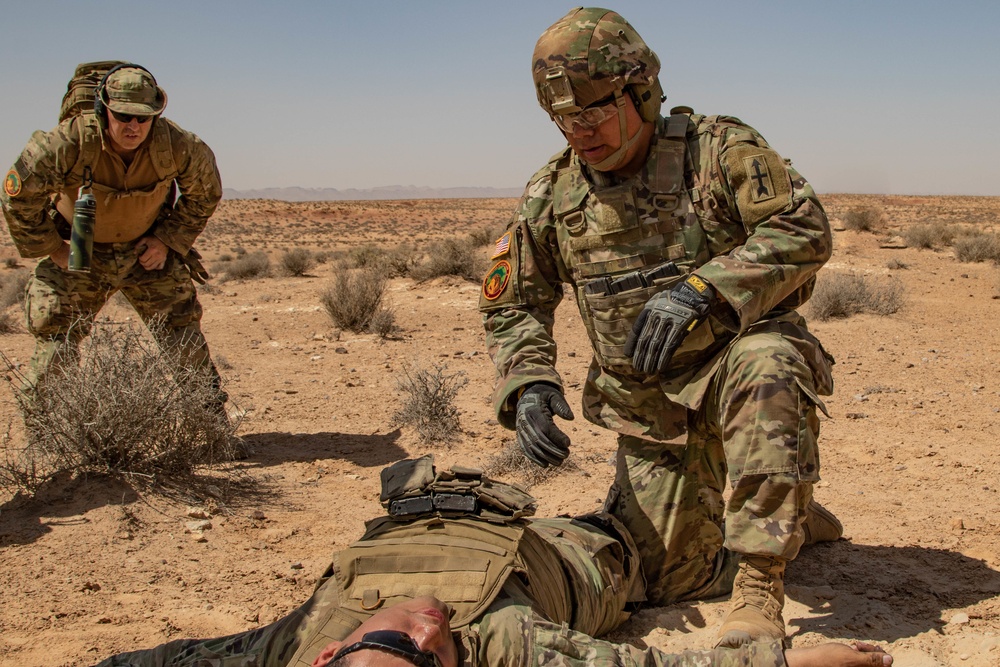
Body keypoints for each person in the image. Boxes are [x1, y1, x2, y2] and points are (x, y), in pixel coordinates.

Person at [479, 7, 840, 648]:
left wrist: (707, 288)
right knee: (676, 577)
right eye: (563, 117)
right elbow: (514, 303)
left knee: (769, 360)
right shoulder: (554, 195)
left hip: (737, 373)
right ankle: (794, 519)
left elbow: (804, 228)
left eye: (592, 111)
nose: (577, 129)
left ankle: (760, 587)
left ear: (640, 90)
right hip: (652, 409)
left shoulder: (718, 150)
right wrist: (528, 378)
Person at [94, 457, 891, 667]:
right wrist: (784, 654)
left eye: (402, 641)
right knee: (670, 539)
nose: (432, 627)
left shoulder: (288, 643)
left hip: (460, 509)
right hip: (590, 554)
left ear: (334, 650)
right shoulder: (507, 646)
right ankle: (765, 534)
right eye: (438, 658)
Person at [1, 62, 226, 409]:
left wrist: (167, 240)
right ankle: (45, 442)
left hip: (146, 252)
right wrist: (54, 248)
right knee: (56, 340)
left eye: (143, 117)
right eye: (123, 116)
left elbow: (206, 192)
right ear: (104, 109)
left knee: (182, 336)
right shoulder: (68, 142)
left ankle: (211, 430)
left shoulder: (177, 145)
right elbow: (17, 195)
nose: (133, 126)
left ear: (156, 113)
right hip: (80, 255)